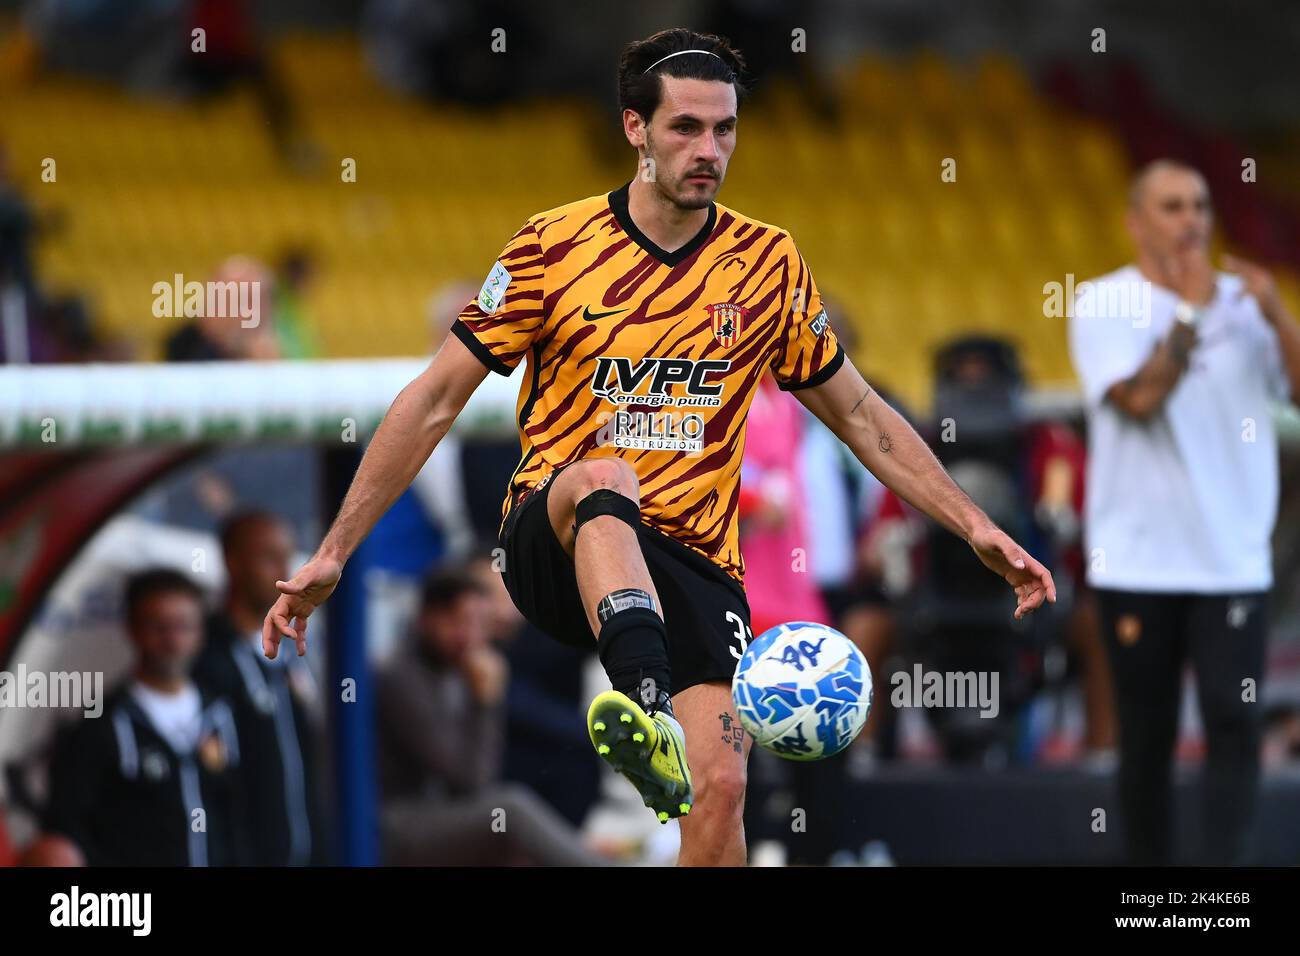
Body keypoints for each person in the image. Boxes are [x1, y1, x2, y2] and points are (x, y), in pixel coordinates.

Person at [261, 28, 1055, 867]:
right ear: (634, 128)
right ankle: (644, 705)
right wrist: (334, 551)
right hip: (557, 535)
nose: (709, 149)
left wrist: (975, 525)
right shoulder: (551, 246)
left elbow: (862, 415)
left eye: (725, 129)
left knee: (721, 797)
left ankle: (664, 740)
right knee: (604, 477)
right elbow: (430, 403)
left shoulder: (766, 263)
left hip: (694, 564)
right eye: (685, 127)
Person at [1068, 159, 1300, 864]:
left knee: (1233, 722)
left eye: (1199, 204)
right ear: (1137, 221)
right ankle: (1152, 889)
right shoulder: (1102, 303)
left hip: (1232, 558)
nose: (1191, 220)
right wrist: (1192, 314)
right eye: (1171, 206)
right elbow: (1138, 400)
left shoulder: (1245, 302)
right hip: (1138, 557)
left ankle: (1223, 886)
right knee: (1148, 733)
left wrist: (1279, 315)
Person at [375, 565, 609, 866]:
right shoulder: (400, 676)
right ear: (428, 617)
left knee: (518, 840)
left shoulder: (450, 671)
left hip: (432, 810)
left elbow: (477, 778)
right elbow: (470, 781)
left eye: (479, 625)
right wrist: (485, 702)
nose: (470, 638)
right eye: (460, 622)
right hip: (393, 821)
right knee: (510, 811)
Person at [45, 569, 247, 866]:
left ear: (201, 631)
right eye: (159, 626)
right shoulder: (104, 722)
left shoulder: (220, 714)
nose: (172, 640)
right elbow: (66, 828)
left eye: (184, 626)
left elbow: (241, 814)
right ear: (133, 629)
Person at [194, 511, 327, 866]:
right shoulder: (207, 657)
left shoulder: (294, 651)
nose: (283, 570)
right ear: (232, 562)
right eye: (268, 557)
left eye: (288, 556)